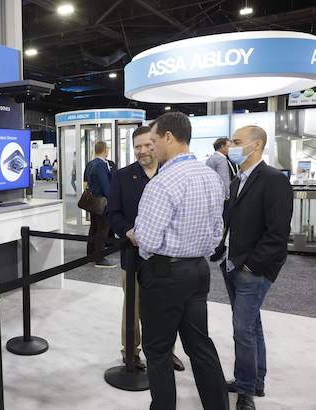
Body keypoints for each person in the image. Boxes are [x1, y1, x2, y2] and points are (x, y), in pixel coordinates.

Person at [134, 112, 229, 410]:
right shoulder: (210, 176)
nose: (151, 149)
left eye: (153, 141)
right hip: (199, 271)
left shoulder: (163, 183)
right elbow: (217, 233)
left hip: (164, 274)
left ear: (168, 138)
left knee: (158, 351)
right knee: (200, 346)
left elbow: (147, 240)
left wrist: (141, 239)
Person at [212, 126, 293, 410]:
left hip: (252, 269)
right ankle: (254, 381)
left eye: (236, 142)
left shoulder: (273, 180)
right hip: (232, 263)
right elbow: (232, 222)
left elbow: (277, 233)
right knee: (251, 325)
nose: (230, 146)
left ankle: (245, 391)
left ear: (256, 145)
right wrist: (222, 249)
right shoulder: (237, 181)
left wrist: (250, 266)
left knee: (242, 328)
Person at [109, 126, 185, 372]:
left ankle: (166, 352)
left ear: (157, 144)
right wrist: (129, 231)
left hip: (166, 257)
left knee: (165, 308)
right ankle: (130, 352)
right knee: (132, 306)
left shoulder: (171, 174)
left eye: (146, 145)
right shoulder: (122, 176)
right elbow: (113, 213)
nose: (141, 151)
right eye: (137, 147)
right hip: (132, 256)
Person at [84, 141, 114, 268]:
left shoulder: (91, 164)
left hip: (93, 202)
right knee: (102, 229)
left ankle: (90, 254)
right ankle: (99, 258)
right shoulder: (101, 165)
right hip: (101, 202)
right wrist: (113, 199)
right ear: (105, 150)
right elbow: (105, 186)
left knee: (94, 228)